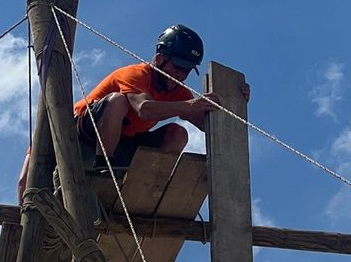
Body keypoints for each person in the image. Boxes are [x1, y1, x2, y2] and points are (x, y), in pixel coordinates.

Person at [17, 24, 218, 198]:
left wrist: (236, 100)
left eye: (187, 69)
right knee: (119, 101)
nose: (181, 74)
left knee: (178, 134)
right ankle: (103, 166)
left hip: (122, 145)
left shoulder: (178, 92)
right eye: (178, 66)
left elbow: (208, 125)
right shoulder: (136, 74)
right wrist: (189, 106)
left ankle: (144, 185)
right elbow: (144, 109)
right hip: (81, 137)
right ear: (159, 59)